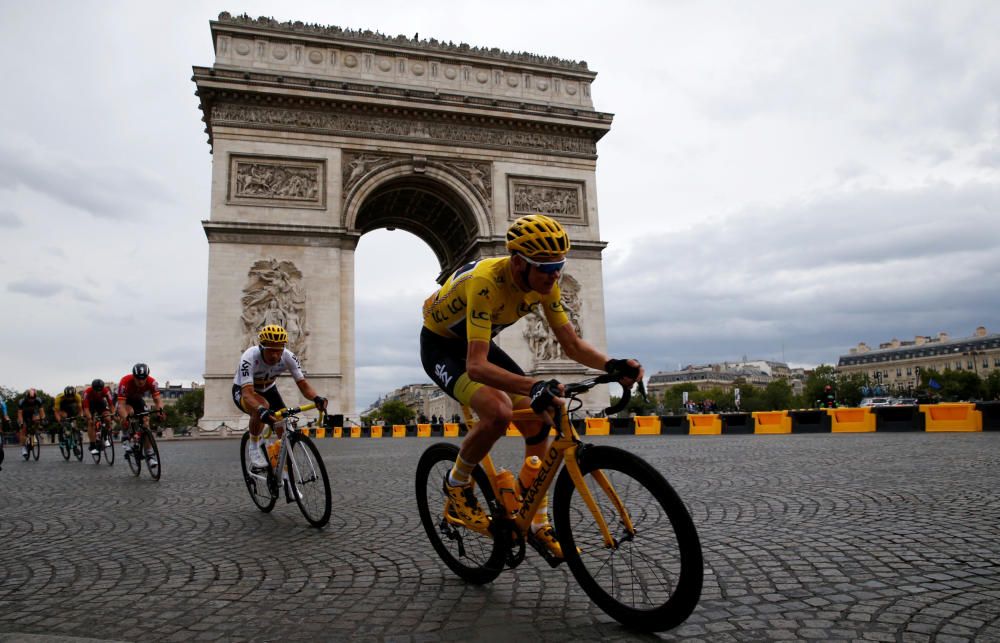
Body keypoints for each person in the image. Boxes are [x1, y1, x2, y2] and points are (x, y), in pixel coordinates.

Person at [420, 214, 642, 560]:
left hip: (479, 341)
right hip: (442, 347)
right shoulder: (485, 282)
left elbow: (571, 344)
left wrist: (612, 365)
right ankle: (457, 483)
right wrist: (535, 383)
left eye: (559, 267)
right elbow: (476, 366)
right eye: (546, 269)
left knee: (540, 416)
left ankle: (537, 521)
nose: (555, 277)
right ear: (519, 263)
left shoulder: (547, 282)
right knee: (497, 412)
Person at [233, 324, 328, 471]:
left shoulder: (288, 356)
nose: (275, 356)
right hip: (244, 390)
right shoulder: (249, 357)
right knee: (261, 407)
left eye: (278, 351)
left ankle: (284, 475)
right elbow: (248, 393)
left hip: (269, 388)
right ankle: (253, 447)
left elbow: (303, 385)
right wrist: (260, 409)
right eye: (270, 351)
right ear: (262, 347)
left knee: (284, 428)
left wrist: (316, 398)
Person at [117, 364, 164, 466]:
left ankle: (149, 455)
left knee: (146, 421)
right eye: (138, 378)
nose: (141, 381)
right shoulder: (125, 382)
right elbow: (121, 405)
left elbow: (158, 400)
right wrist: (125, 419)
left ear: (147, 376)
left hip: (138, 399)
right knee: (129, 413)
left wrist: (160, 412)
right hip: (126, 401)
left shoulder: (152, 382)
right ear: (133, 376)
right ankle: (125, 437)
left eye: (143, 378)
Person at [83, 379, 116, 454]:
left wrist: (113, 414)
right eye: (96, 391)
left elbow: (111, 405)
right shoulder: (87, 392)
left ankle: (106, 436)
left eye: (100, 390)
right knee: (91, 422)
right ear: (93, 388)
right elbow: (86, 409)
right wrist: (89, 418)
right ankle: (92, 445)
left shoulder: (106, 391)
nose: (98, 392)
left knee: (108, 418)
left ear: (102, 388)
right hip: (90, 404)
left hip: (100, 403)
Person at [17, 388, 47, 459]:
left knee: (37, 419)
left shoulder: (38, 400)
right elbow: (20, 414)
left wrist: (43, 419)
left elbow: (42, 411)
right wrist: (21, 423)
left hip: (33, 414)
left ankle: (35, 431)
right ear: (26, 397)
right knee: (23, 429)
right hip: (24, 415)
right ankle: (24, 447)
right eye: (30, 398)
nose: (31, 400)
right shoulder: (22, 402)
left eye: (33, 398)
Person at [53, 385, 85, 450]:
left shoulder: (77, 396)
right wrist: (60, 421)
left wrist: (80, 416)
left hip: (71, 407)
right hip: (62, 407)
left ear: (74, 394)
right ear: (65, 395)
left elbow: (80, 409)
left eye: (71, 396)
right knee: (64, 417)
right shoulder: (59, 398)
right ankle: (62, 438)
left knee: (74, 421)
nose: (70, 398)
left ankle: (75, 437)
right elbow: (56, 412)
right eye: (68, 396)